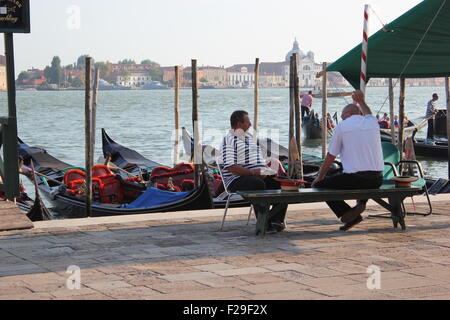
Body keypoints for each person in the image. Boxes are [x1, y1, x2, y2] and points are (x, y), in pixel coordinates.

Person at [311, 90, 384, 231]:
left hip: (357, 179)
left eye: (343, 116)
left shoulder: (342, 126)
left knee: (321, 186)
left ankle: (346, 213)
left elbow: (331, 156)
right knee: (345, 174)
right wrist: (361, 101)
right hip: (377, 179)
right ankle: (361, 203)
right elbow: (368, 112)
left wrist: (319, 177)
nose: (343, 118)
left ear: (347, 115)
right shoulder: (372, 122)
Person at [219, 110, 288, 234]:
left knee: (284, 184)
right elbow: (231, 167)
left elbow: (257, 160)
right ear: (239, 124)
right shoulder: (229, 140)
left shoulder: (250, 137)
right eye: (248, 121)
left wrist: (266, 169)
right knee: (257, 184)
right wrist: (254, 173)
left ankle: (276, 220)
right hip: (236, 179)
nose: (250, 124)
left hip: (256, 175)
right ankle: (264, 224)